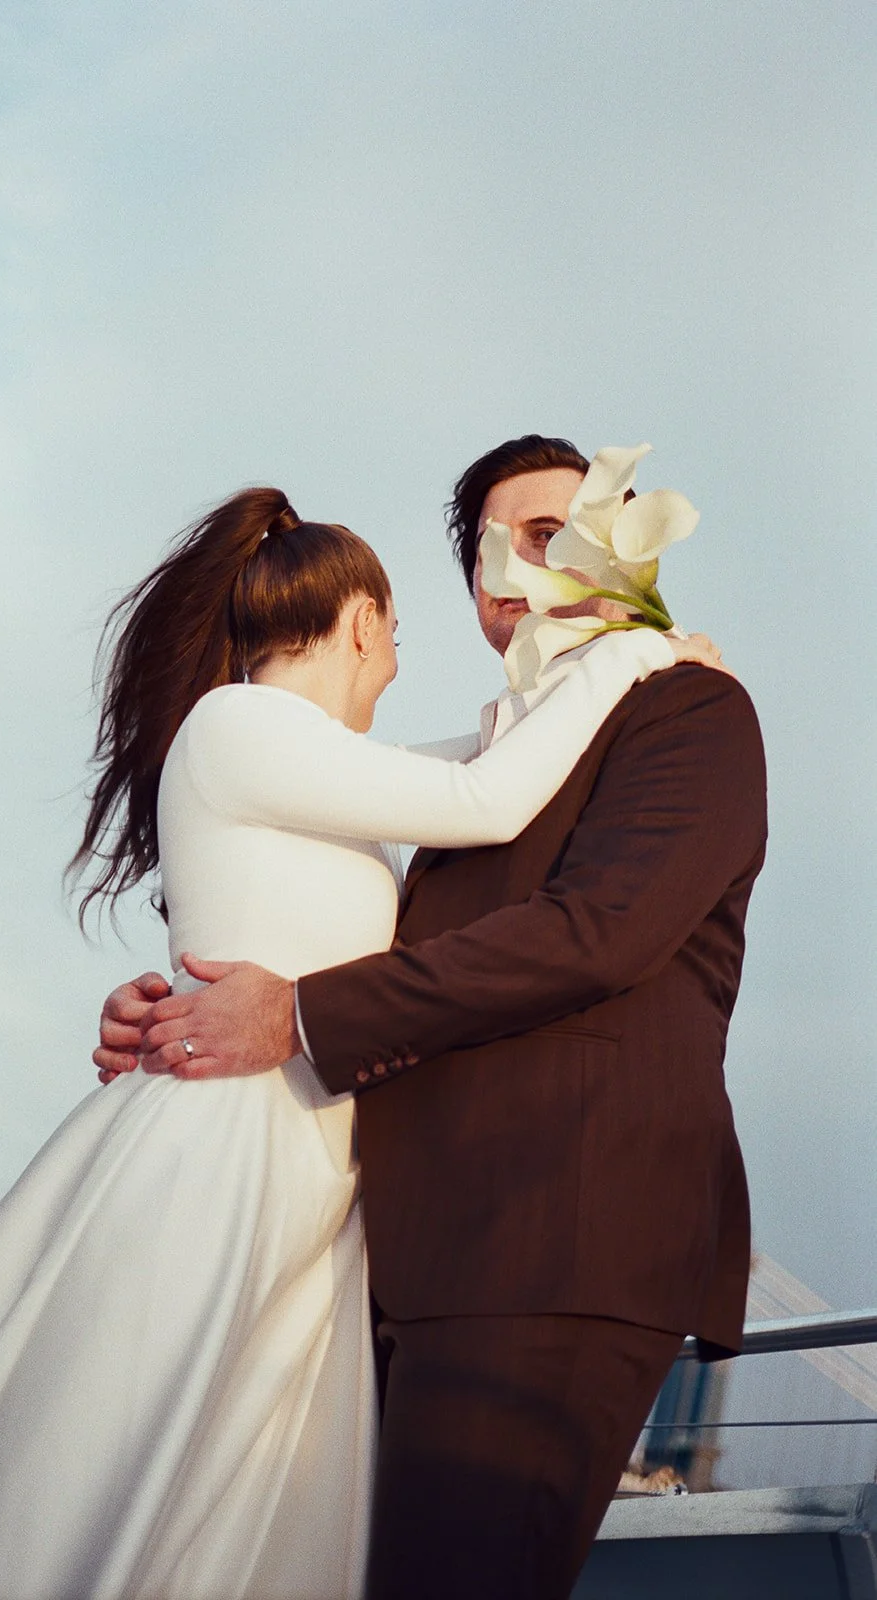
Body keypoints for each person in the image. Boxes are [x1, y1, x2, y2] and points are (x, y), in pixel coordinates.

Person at [0, 485, 715, 1600]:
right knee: (143, 1451)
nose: (392, 666)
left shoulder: (289, 755)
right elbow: (481, 796)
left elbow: (477, 763)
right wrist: (629, 659)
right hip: (232, 1149)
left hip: (307, 1163)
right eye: (391, 638)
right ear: (358, 623)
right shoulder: (241, 722)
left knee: (223, 1482)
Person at [97, 437, 768, 1600]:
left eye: (557, 530)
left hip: (547, 1247)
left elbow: (592, 933)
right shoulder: (475, 770)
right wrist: (185, 1007)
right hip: (393, 1265)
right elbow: (371, 941)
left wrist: (294, 1013)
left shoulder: (689, 710)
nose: (525, 559)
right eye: (497, 547)